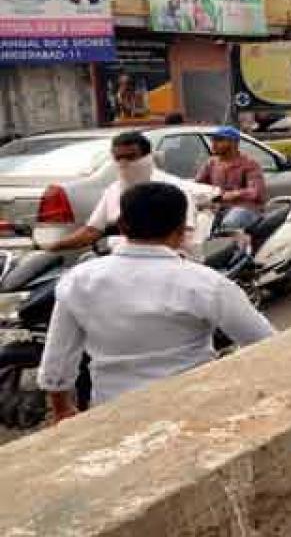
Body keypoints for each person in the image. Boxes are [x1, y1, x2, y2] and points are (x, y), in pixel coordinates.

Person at [37, 182, 275, 422]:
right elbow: (266, 343)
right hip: (192, 413)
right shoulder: (205, 283)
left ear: (121, 225)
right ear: (182, 231)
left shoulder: (78, 280)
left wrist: (62, 410)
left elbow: (58, 361)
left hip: (111, 415)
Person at [41, 132, 197, 253]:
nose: (123, 163)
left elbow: (185, 235)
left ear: (147, 157)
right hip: (121, 260)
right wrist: (52, 247)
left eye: (130, 157)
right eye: (118, 158)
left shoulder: (174, 190)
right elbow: (92, 231)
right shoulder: (113, 191)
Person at [194, 127, 266, 214]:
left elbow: (256, 191)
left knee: (235, 216)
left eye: (219, 140)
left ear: (234, 143)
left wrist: (233, 194)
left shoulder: (249, 164)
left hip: (245, 209)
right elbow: (197, 185)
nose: (214, 144)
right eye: (213, 140)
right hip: (217, 210)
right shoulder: (211, 163)